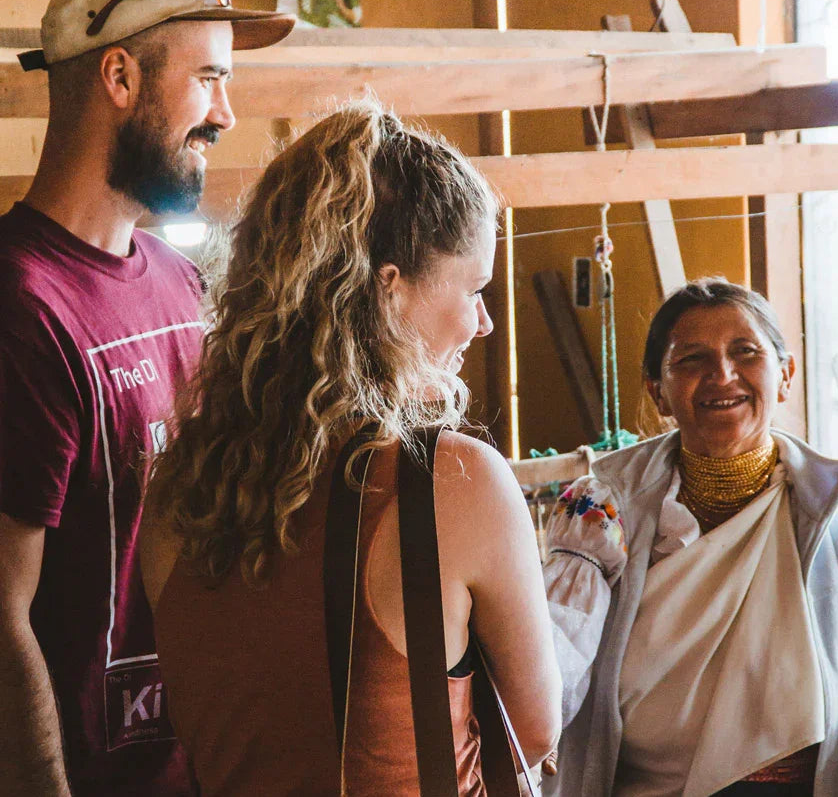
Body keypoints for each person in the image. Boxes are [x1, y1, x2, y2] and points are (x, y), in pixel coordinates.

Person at [139, 99, 562, 796]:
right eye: (475, 287)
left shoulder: (179, 488)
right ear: (390, 292)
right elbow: (534, 730)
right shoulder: (449, 481)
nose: (484, 322)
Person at [0, 0, 294, 794]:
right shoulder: (22, 308)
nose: (227, 114)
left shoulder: (178, 279)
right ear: (120, 76)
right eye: (208, 78)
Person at [543, 278, 838, 797]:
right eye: (691, 359)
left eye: (746, 352)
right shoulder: (603, 511)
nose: (722, 375)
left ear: (785, 375)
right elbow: (555, 657)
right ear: (657, 391)